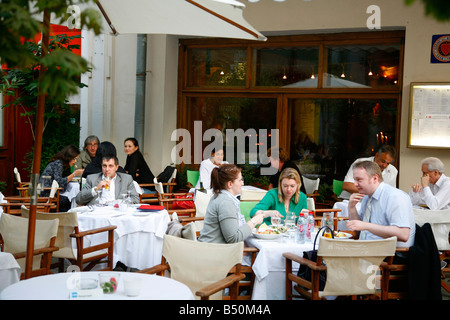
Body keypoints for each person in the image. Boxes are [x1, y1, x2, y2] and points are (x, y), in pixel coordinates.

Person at [198, 164, 280, 244]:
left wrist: (262, 215)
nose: (242, 183)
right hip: (214, 253)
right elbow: (234, 238)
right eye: (240, 180)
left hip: (211, 249)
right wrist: (254, 221)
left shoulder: (222, 197)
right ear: (230, 184)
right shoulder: (225, 202)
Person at [346, 161, 415, 248]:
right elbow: (358, 232)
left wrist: (366, 226)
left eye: (359, 179)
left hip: (391, 255)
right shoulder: (367, 196)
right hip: (367, 249)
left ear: (375, 178)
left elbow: (403, 234)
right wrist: (351, 207)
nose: (355, 184)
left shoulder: (395, 197)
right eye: (354, 179)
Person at [40, 145, 84, 212]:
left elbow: (63, 178)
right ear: (68, 157)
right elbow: (59, 182)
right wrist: (75, 174)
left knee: (71, 197)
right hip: (46, 193)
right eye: (74, 159)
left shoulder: (62, 164)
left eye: (76, 159)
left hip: (51, 191)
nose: (75, 161)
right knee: (69, 200)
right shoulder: (58, 164)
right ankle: (64, 218)